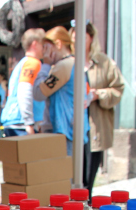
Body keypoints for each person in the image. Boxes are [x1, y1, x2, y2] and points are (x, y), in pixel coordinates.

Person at [74, 22, 125, 192]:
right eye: (74, 37)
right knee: (74, 178)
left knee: (88, 179)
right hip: (73, 127)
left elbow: (118, 89)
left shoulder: (103, 62)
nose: (77, 40)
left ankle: (86, 209)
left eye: (82, 36)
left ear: (91, 38)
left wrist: (98, 95)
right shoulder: (68, 61)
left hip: (94, 127)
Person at [35, 27, 90, 158]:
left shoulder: (64, 66)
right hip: (71, 130)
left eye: (47, 48)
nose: (44, 53)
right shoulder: (74, 64)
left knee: (62, 176)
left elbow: (38, 93)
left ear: (58, 44)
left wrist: (46, 65)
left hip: (64, 132)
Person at [0, 28, 49, 137]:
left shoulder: (21, 64)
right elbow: (24, 90)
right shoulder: (33, 63)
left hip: (13, 120)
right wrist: (29, 123)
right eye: (43, 45)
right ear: (35, 44)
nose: (45, 49)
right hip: (22, 124)